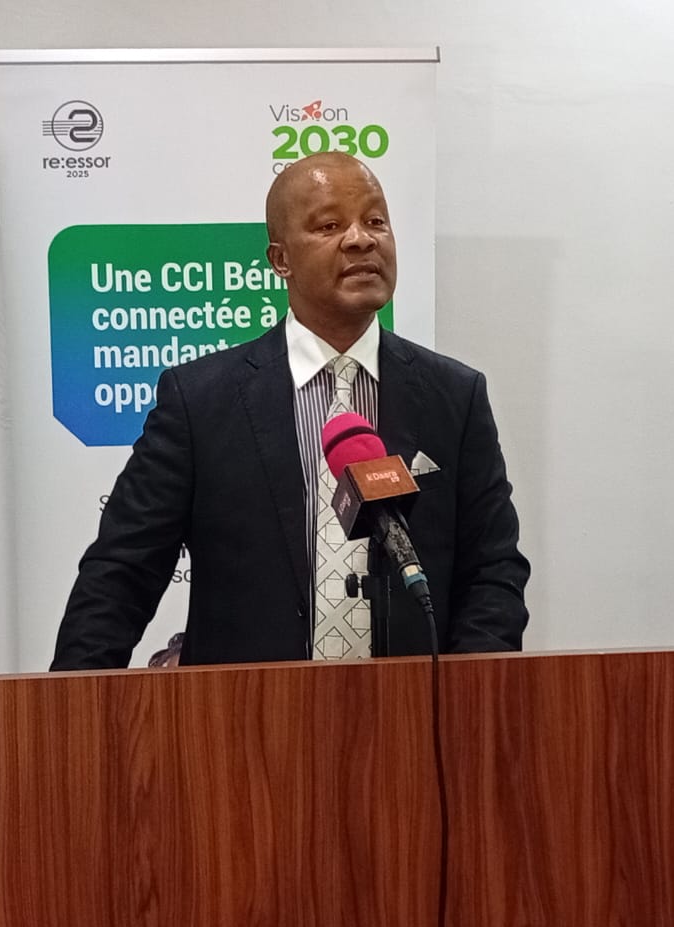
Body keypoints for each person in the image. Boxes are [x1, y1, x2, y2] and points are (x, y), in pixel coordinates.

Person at [51, 152, 528, 669]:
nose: (361, 240)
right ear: (280, 260)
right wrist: (73, 701)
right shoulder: (200, 401)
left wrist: (469, 696)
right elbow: (123, 572)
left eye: (375, 221)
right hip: (246, 709)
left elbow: (493, 569)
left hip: (411, 709)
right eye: (329, 225)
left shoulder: (454, 396)